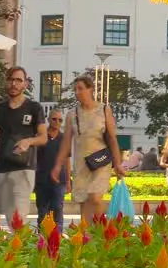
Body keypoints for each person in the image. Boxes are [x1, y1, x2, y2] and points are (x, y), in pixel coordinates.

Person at [0, 66, 48, 226]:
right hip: (3, 168)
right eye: (11, 79)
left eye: (18, 80)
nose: (14, 83)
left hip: (24, 168)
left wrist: (28, 141)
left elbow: (43, 137)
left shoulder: (34, 108)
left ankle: (18, 250)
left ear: (25, 84)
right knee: (5, 215)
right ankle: (8, 249)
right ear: (6, 82)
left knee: (18, 218)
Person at [51, 74, 123, 226]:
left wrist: (117, 163)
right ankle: (87, 239)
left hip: (100, 162)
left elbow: (112, 138)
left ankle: (101, 230)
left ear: (90, 89)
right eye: (75, 89)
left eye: (81, 88)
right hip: (81, 165)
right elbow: (65, 143)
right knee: (84, 204)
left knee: (95, 198)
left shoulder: (104, 109)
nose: (77, 92)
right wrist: (58, 166)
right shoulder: (72, 114)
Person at [36, 107, 69, 229]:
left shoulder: (64, 138)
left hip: (60, 181)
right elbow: (35, 159)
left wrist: (68, 180)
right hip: (42, 180)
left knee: (58, 208)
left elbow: (67, 159)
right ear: (49, 119)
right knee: (42, 211)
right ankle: (42, 239)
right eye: (54, 119)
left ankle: (58, 237)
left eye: (60, 120)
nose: (57, 122)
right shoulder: (41, 137)